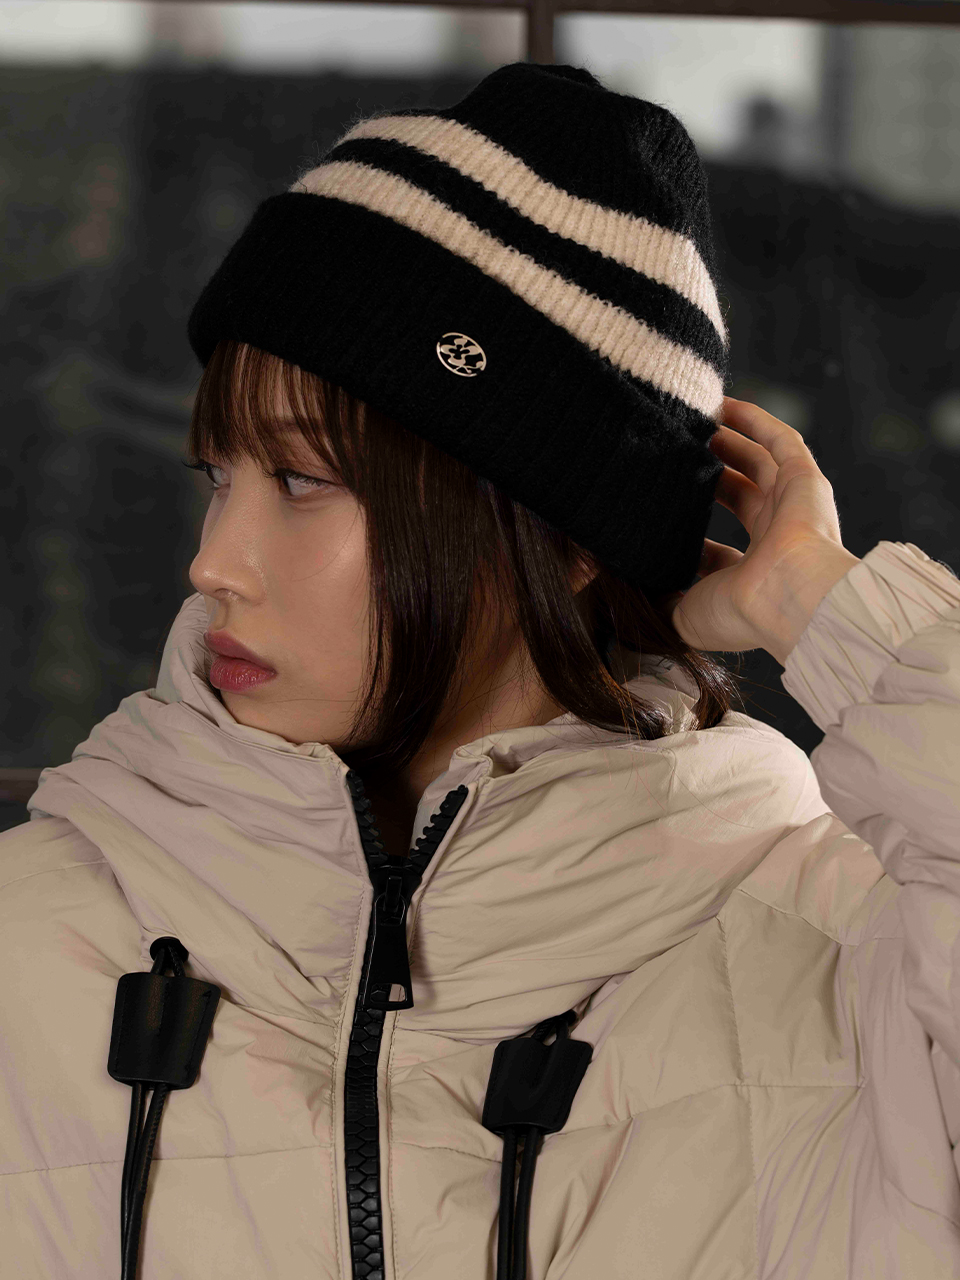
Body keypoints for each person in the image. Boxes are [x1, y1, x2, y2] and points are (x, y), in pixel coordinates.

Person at [3, 59, 960, 1280]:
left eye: (301, 479)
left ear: (557, 537)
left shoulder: (848, 960)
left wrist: (821, 606)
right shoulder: (33, 934)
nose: (213, 563)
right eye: (218, 475)